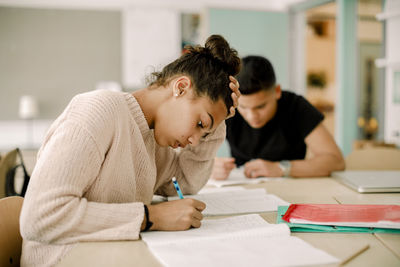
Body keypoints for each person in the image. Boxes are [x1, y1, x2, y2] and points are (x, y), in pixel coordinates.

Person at [19, 35, 241, 267]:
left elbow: (184, 182)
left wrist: (217, 125)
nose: (195, 142)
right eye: (200, 124)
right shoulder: (98, 111)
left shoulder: (154, 136)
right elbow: (40, 217)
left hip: (113, 254)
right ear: (181, 87)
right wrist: (150, 217)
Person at [211, 55, 345, 180]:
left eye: (261, 106)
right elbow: (191, 151)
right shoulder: (229, 107)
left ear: (277, 91)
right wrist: (209, 167)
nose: (252, 116)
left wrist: (281, 168)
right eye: (243, 107)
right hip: (242, 190)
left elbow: (336, 161)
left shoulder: (296, 106)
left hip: (292, 188)